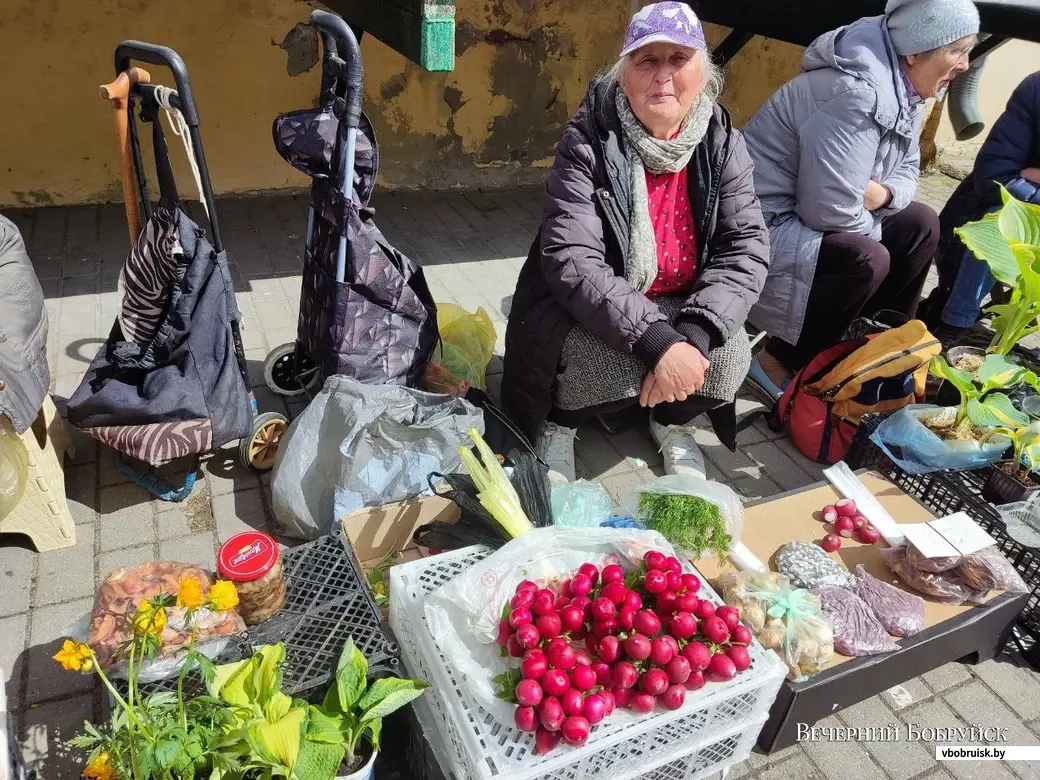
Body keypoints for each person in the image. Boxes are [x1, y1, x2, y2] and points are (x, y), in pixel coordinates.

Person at [501, 2, 770, 483]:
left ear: (703, 72)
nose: (662, 77)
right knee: (583, 355)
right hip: (601, 303)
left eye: (678, 59)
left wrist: (693, 340)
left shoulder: (722, 141)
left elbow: (745, 248)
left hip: (684, 301)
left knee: (729, 354)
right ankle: (562, 425)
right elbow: (572, 259)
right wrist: (658, 345)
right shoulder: (588, 139)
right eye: (647, 60)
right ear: (622, 75)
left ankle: (671, 421)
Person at [741, 0, 980, 401]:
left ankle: (875, 351)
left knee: (921, 224)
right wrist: (873, 217)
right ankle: (777, 361)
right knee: (867, 257)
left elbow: (908, 173)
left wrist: (884, 194)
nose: (966, 65)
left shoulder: (909, 91)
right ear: (916, 51)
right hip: (762, 224)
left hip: (813, 217)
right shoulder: (854, 95)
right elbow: (828, 211)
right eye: (957, 50)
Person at [920, 71, 1040, 348]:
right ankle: (955, 325)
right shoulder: (1035, 91)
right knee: (1003, 217)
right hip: (1015, 209)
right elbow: (996, 176)